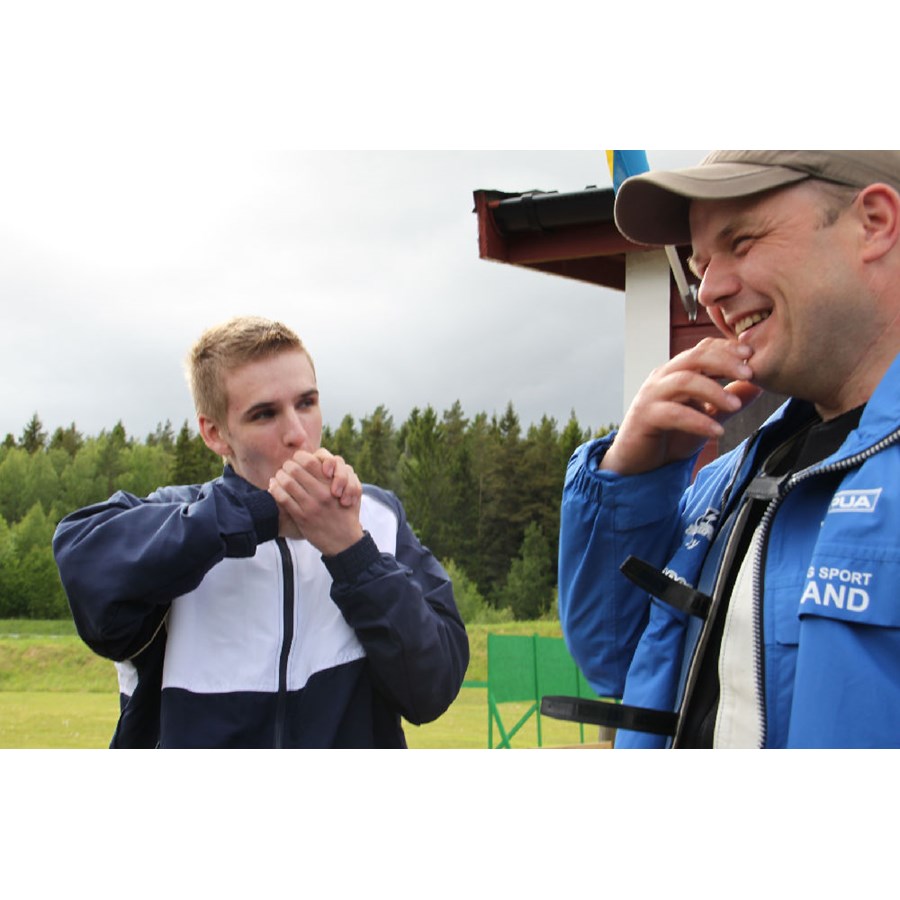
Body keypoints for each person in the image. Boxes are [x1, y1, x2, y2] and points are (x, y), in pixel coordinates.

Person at [558, 151, 900, 748]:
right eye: (701, 265)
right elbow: (612, 659)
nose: (709, 290)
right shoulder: (729, 479)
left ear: (873, 223)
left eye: (741, 242)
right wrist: (630, 480)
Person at [53, 316, 469, 748]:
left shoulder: (377, 517)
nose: (297, 434)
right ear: (215, 433)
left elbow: (432, 690)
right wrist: (261, 515)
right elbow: (82, 559)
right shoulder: (176, 517)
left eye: (306, 403)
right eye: (265, 414)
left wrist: (352, 552)